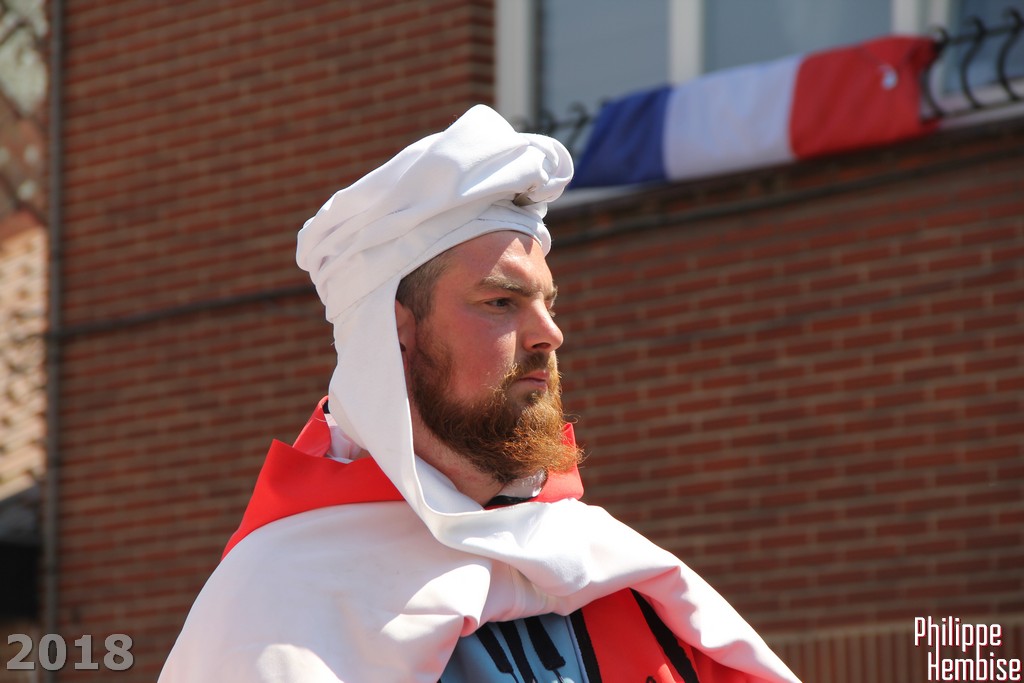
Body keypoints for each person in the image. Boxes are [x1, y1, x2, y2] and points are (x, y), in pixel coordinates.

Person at [159, 105, 801, 683]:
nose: (550, 334)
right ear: (396, 334)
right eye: (501, 302)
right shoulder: (277, 605)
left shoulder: (621, 572)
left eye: (548, 303)